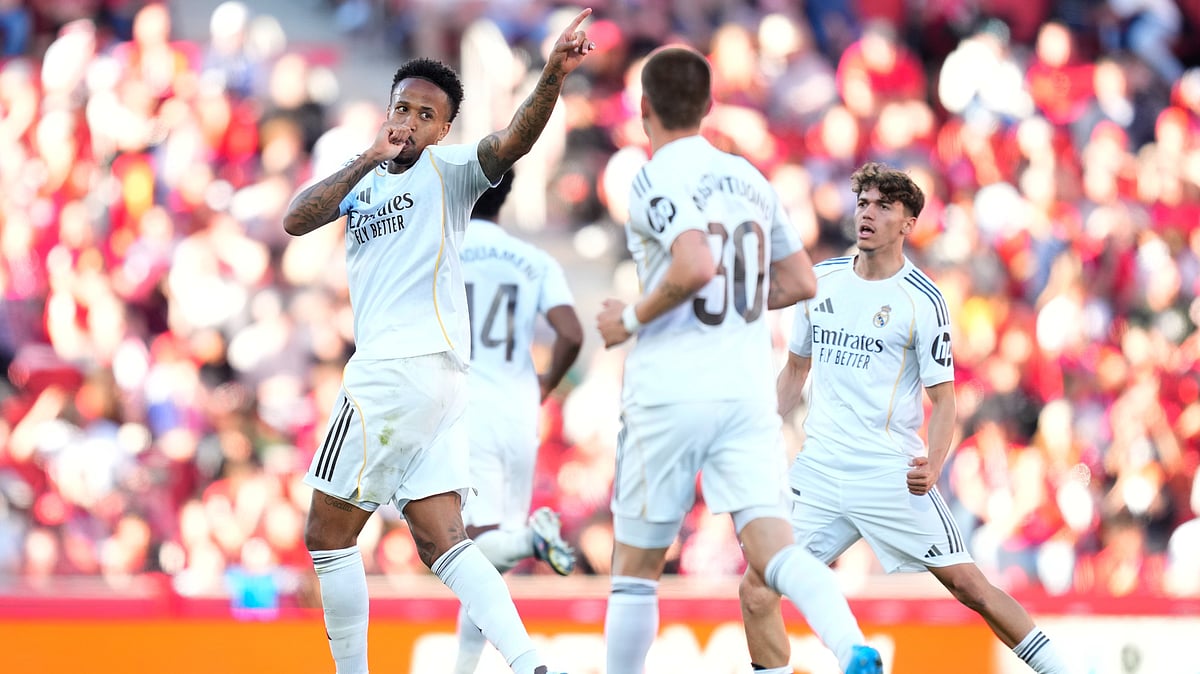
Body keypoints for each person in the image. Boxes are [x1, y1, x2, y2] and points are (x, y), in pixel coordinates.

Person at [281, 10, 596, 674]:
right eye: (404, 108)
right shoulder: (362, 178)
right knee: (442, 540)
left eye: (428, 114)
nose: (412, 120)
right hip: (442, 384)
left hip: (393, 374)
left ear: (445, 129)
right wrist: (365, 158)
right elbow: (295, 218)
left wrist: (551, 77)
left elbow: (512, 141)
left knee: (327, 535)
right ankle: (532, 662)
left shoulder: (449, 172)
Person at [595, 45, 882, 674]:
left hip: (669, 390)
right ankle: (851, 645)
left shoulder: (654, 175)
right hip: (746, 391)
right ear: (708, 106)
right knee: (773, 550)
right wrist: (744, 299)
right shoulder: (750, 177)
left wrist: (632, 317)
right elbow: (803, 281)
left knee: (636, 570)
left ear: (644, 109)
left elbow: (695, 264)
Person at [738, 161, 1073, 674]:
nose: (867, 214)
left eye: (883, 206)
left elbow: (945, 402)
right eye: (863, 203)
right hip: (820, 470)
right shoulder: (818, 283)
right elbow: (794, 374)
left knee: (970, 586)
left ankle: (1064, 669)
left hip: (889, 474)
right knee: (758, 586)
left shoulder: (923, 300)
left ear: (907, 223)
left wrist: (933, 462)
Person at [454, 168, 583, 674]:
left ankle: (530, 541)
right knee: (483, 562)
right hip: (517, 409)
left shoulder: (443, 250)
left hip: (465, 410)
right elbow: (570, 333)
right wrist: (544, 385)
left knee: (464, 552)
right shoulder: (534, 259)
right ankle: (465, 667)